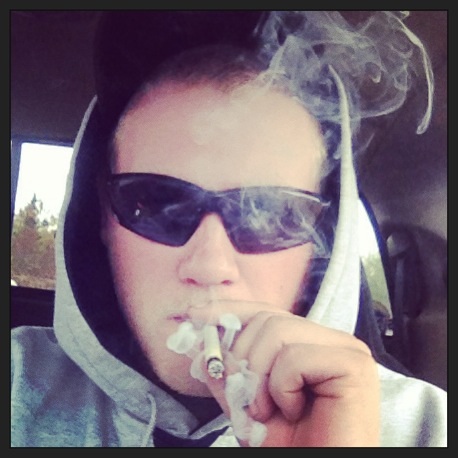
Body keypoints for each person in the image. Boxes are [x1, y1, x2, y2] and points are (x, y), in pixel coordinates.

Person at [11, 11, 447, 447]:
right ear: (105, 218)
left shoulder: (430, 429)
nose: (209, 266)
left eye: (268, 213)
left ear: (319, 239)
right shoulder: (17, 380)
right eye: (158, 203)